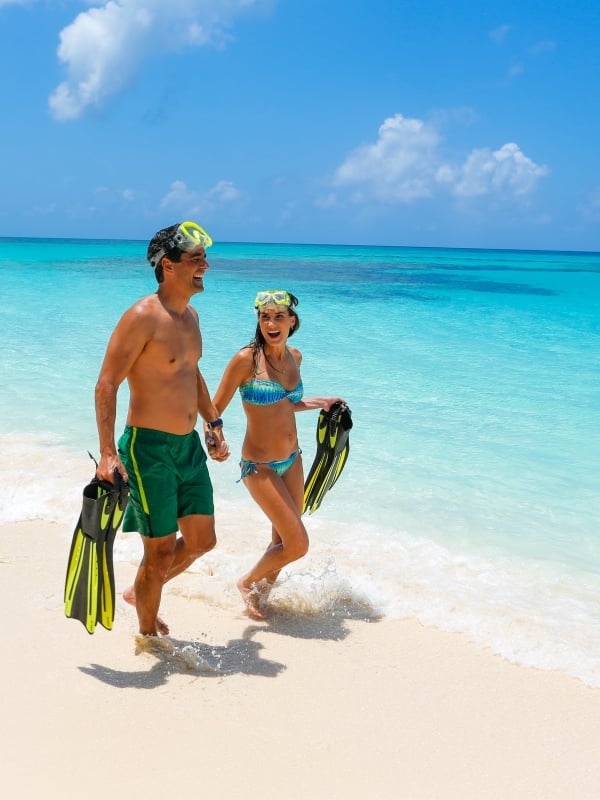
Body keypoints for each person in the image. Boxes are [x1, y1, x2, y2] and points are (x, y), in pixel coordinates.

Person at [94, 221, 229, 636]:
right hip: (146, 449)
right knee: (161, 550)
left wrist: (213, 422)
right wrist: (107, 453)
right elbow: (107, 383)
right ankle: (148, 635)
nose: (205, 265)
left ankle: (141, 589)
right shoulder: (141, 316)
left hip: (187, 446)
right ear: (168, 267)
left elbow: (192, 372)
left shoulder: (191, 316)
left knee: (204, 540)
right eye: (196, 260)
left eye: (204, 258)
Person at [212, 290, 344, 620]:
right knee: (298, 544)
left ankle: (260, 596)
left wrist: (321, 402)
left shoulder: (295, 357)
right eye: (264, 317)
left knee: (281, 540)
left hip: (292, 459)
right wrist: (214, 437)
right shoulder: (246, 359)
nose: (271, 323)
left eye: (278, 317)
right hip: (259, 465)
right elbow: (213, 408)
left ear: (292, 322)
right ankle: (247, 582)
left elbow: (286, 404)